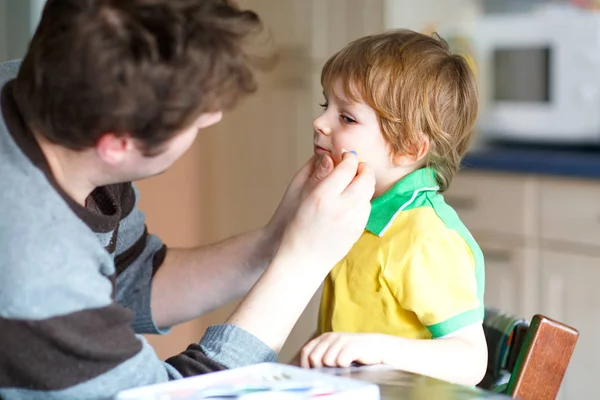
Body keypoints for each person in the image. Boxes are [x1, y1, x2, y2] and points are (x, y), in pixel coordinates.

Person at [0, 1, 375, 399]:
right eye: (195, 117)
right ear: (117, 143)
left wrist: (278, 238)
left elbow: (130, 277)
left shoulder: (52, 93)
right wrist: (302, 264)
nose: (212, 118)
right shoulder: (34, 261)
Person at [298, 29, 487, 386]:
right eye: (327, 106)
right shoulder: (354, 214)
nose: (320, 123)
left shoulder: (424, 237)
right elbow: (342, 331)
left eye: (347, 118)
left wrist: (376, 348)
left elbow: (470, 359)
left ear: (409, 149)